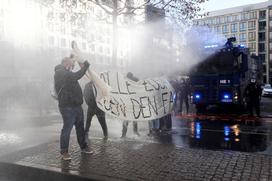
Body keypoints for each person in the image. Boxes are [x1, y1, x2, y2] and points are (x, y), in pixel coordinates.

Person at [54, 57, 93, 161]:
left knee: (80, 128)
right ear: (65, 63)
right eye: (71, 64)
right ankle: (64, 151)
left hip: (76, 106)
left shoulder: (66, 72)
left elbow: (72, 74)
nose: (72, 66)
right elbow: (76, 75)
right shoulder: (60, 72)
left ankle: (83, 147)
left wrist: (73, 58)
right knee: (67, 129)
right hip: (67, 107)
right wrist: (85, 67)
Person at [121, 72, 140, 138]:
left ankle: (124, 134)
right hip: (133, 102)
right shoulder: (135, 81)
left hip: (129, 103)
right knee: (134, 118)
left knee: (126, 118)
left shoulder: (127, 82)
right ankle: (135, 132)